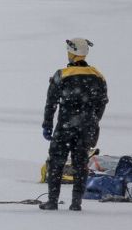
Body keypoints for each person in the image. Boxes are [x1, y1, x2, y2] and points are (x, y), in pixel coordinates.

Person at [40, 38, 108, 211]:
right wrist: (93, 121)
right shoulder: (98, 76)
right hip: (86, 128)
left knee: (56, 163)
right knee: (80, 164)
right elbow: (102, 103)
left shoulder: (62, 74)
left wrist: (47, 124)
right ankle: (76, 203)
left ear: (72, 52)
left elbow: (51, 103)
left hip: (65, 127)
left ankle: (52, 201)